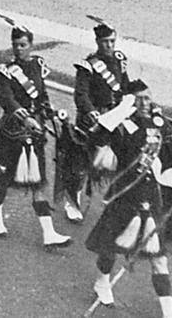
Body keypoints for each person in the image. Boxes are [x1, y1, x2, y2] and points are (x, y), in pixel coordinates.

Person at [84, 80, 172, 317]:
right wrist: (121, 110)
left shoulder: (160, 125)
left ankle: (169, 312)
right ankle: (102, 282)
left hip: (150, 199)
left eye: (148, 97)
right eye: (139, 99)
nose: (146, 103)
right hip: (125, 197)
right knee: (110, 248)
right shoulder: (120, 126)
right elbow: (95, 139)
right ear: (129, 102)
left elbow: (167, 165)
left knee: (159, 258)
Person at [0, 19, 73, 248]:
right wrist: (24, 117)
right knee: (3, 177)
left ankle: (49, 232)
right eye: (15, 44)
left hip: (35, 133)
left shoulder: (38, 66)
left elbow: (42, 95)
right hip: (12, 131)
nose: (19, 48)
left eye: (23, 44)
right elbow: (6, 98)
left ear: (31, 45)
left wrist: (49, 112)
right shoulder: (4, 71)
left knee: (37, 182)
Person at [70, 18, 133, 221]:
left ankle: (118, 204)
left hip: (114, 119)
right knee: (83, 165)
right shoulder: (87, 65)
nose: (110, 45)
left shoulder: (119, 61)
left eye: (112, 41)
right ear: (97, 41)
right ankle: (72, 202)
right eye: (105, 41)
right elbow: (81, 95)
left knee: (122, 161)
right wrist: (90, 112)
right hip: (93, 121)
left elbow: (125, 86)